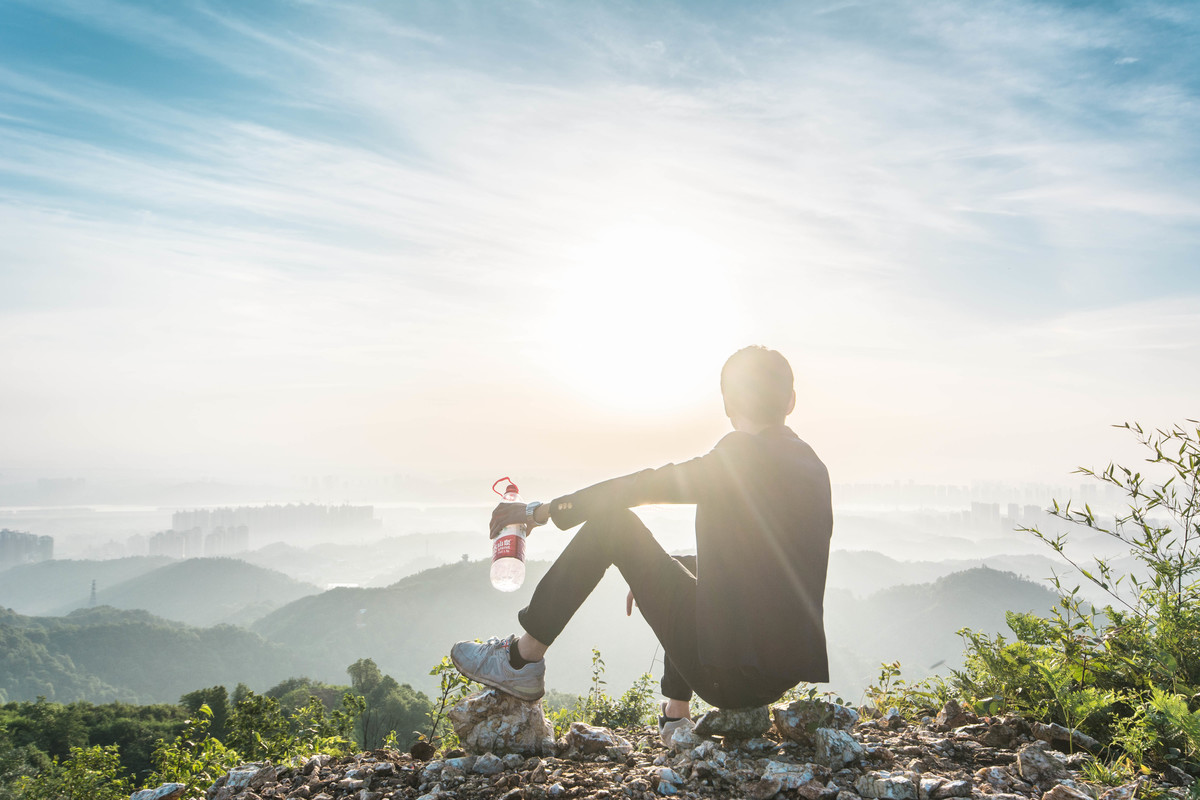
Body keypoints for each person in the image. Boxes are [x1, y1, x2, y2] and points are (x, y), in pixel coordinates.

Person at [451, 345, 832, 738]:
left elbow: (638, 486)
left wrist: (540, 512)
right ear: (791, 400)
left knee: (611, 525)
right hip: (776, 677)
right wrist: (665, 571)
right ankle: (676, 715)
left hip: (726, 678)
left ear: (728, 405)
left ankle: (521, 660)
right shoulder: (811, 467)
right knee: (685, 567)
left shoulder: (734, 461)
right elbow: (764, 564)